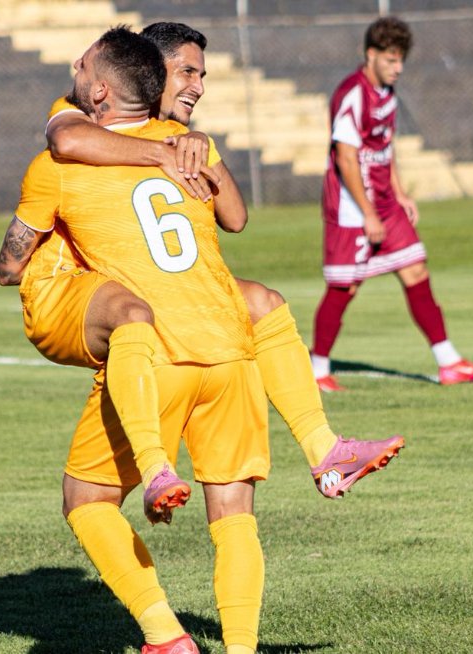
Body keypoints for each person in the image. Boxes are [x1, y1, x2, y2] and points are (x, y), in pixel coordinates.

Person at [36, 21, 404, 501]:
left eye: (202, 75)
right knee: (92, 501)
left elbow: (235, 217)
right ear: (149, 68)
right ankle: (156, 473)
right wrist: (159, 153)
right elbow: (65, 140)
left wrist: (198, 146)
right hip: (122, 310)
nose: (198, 87)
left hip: (180, 302)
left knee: (264, 301)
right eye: (187, 72)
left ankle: (324, 448)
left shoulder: (180, 133)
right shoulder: (81, 109)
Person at [3, 26, 266, 653]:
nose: (196, 87)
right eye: (188, 74)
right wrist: (177, 147)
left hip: (150, 354)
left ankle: (165, 636)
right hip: (227, 350)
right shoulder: (190, 153)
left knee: (87, 498)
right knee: (234, 514)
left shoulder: (64, 160)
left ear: (101, 88)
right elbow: (236, 218)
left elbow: (11, 263)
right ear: (152, 81)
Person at [311, 16, 473, 391]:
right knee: (344, 288)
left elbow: (384, 148)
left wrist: (399, 193)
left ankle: (449, 363)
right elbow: (347, 159)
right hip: (353, 207)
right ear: (371, 55)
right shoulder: (352, 93)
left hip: (383, 201)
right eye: (391, 60)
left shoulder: (387, 93)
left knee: (415, 269)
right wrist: (367, 215)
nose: (398, 68)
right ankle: (316, 370)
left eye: (401, 61)